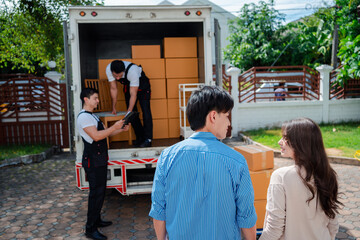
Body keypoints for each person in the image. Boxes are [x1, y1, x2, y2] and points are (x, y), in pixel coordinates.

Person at [149, 86, 257, 240]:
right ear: (213, 116)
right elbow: (246, 216)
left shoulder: (167, 157)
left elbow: (159, 209)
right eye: (226, 115)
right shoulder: (236, 161)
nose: (228, 123)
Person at [259, 118, 342, 240]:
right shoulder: (328, 174)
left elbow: (274, 228)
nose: (279, 142)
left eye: (285, 138)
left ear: (300, 143)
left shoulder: (280, 177)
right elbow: (333, 223)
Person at [77, 88, 129, 240]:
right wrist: (114, 126)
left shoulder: (92, 116)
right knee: (96, 195)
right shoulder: (84, 118)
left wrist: (120, 130)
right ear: (86, 100)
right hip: (93, 162)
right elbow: (97, 136)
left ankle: (97, 220)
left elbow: (105, 132)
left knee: (100, 193)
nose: (98, 101)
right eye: (95, 98)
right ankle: (90, 229)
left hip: (98, 160)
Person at [106, 60, 152, 147]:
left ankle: (148, 139)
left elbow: (133, 94)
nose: (118, 79)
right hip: (129, 86)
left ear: (123, 71)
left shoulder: (132, 71)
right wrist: (113, 107)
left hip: (143, 87)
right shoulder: (108, 69)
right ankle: (140, 137)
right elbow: (113, 88)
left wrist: (129, 111)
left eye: (120, 76)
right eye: (116, 76)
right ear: (112, 72)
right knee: (133, 115)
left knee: (145, 111)